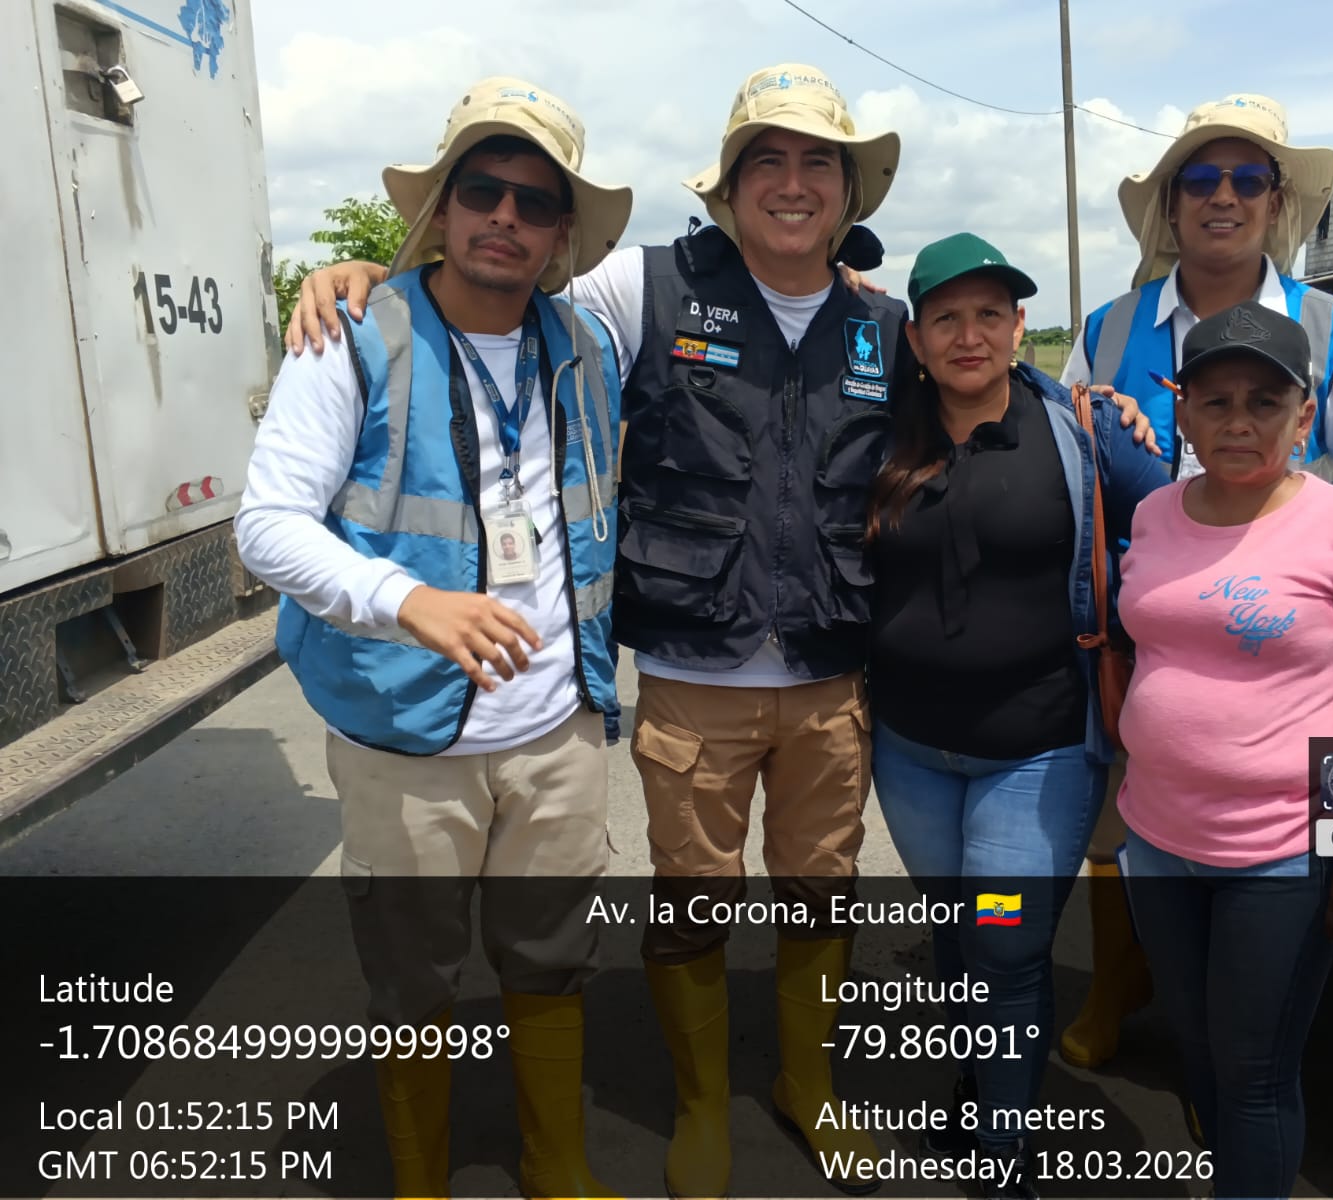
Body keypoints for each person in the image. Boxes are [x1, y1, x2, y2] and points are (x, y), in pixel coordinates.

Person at [285, 64, 909, 1197]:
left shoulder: (887, 324)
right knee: (688, 902)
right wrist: (359, 275)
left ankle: (807, 1087)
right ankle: (700, 1106)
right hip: (691, 675)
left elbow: (972, 397)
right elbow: (477, 286)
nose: (791, 182)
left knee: (822, 890)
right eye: (765, 160)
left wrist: (1082, 403)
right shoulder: (640, 291)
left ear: (849, 189)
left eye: (817, 161)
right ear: (726, 187)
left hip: (828, 677)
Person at [235, 78, 630, 1199]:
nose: (506, 216)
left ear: (562, 233)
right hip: (404, 736)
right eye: (482, 190)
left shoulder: (589, 345)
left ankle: (558, 1169)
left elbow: (763, 283)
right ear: (443, 205)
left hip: (556, 727)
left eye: (535, 201)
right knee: (413, 979)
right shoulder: (352, 334)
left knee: (552, 959)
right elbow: (266, 525)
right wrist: (408, 602)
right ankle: (419, 1182)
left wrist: (848, 272)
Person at [1055, 93, 1333, 1083]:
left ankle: (1238, 1043)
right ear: (1170, 204)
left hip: (1270, 627)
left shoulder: (1329, 327)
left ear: (1277, 201)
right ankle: (1119, 986)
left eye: (1247, 179)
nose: (1223, 197)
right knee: (1123, 820)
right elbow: (1062, 457)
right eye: (1200, 179)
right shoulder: (1109, 331)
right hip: (1142, 620)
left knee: (1254, 884)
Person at [865, 234, 1171, 1200]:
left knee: (1004, 942)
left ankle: (1002, 1157)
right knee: (957, 933)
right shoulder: (875, 432)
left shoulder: (1086, 430)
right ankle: (978, 1087)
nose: (970, 335)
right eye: (946, 318)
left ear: (1018, 326)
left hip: (1036, 754)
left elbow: (1186, 525)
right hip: (910, 754)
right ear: (916, 338)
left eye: (990, 315)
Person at [1116, 300, 1333, 1198]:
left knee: (1254, 1074)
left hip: (1282, 853)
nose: (1240, 422)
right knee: (1197, 1048)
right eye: (1216, 402)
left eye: (1265, 401)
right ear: (1183, 411)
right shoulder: (1157, 514)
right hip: (1159, 840)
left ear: (1303, 415)